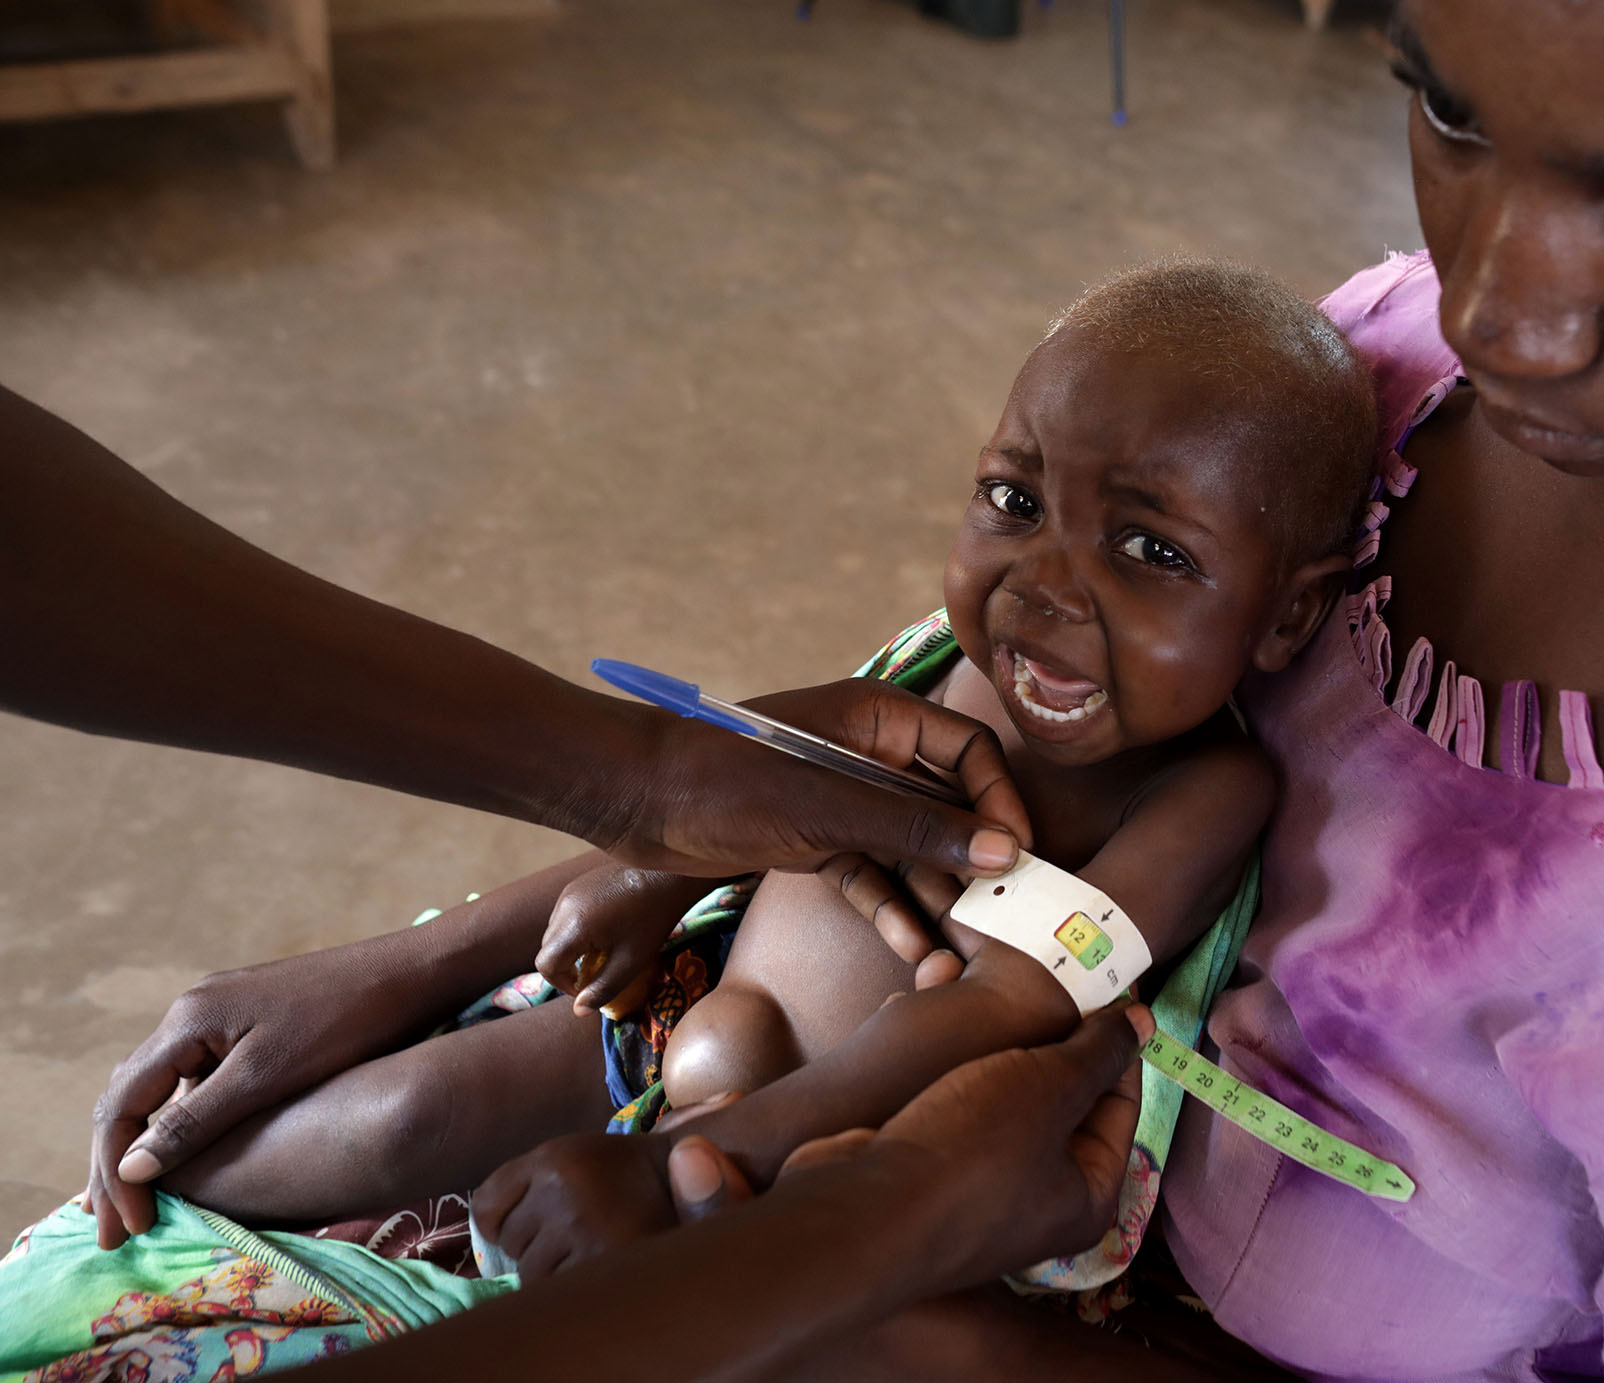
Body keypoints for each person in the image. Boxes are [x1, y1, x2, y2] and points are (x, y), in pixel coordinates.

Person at [22, 0, 1604, 1376]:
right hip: (721, 1144)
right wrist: (533, 886)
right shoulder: (1370, 379)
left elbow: (1012, 972)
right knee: (151, 1219)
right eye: (1450, 109)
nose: (1492, 302)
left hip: (790, 1229)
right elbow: (955, 693)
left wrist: (835, 1250)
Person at [128, 260, 1377, 1298]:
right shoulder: (950, 664)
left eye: (1151, 548)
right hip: (663, 1022)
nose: (1045, 584)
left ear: (1286, 618)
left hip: (810, 1164)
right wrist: (645, 877)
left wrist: (707, 1153)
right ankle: (137, 1183)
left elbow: (1003, 1008)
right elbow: (744, 789)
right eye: (1013, 497)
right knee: (379, 1132)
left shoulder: (1208, 797)